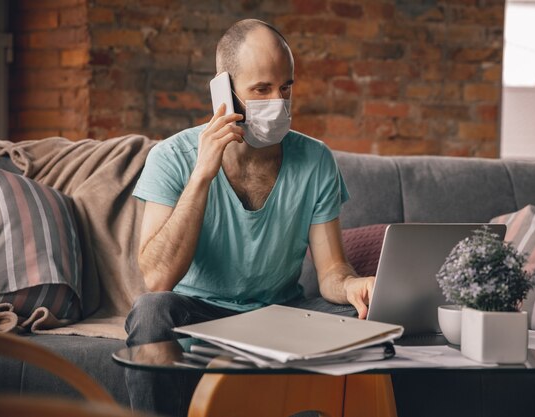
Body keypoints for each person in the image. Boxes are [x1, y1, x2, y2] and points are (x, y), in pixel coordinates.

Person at [124, 18, 375, 417]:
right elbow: (157, 278)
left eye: (285, 87)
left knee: (365, 324)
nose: (278, 101)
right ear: (224, 90)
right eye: (261, 89)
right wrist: (203, 174)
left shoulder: (316, 159)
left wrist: (353, 287)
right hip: (200, 313)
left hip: (281, 312)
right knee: (151, 310)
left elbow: (331, 271)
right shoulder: (172, 157)